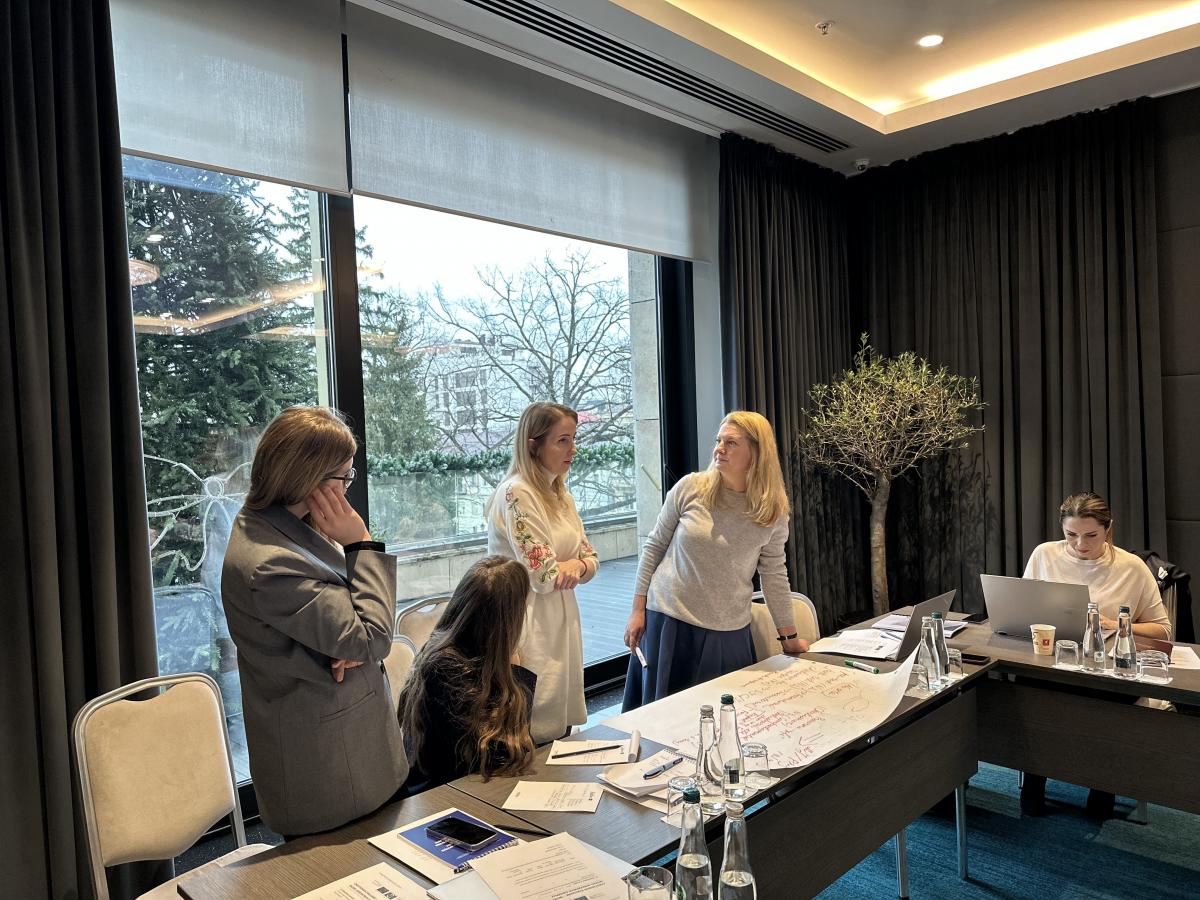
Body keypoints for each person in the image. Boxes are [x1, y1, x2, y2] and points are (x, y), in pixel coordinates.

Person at [221, 407, 406, 837]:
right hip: (329, 769)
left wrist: (354, 643)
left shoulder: (283, 524)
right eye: (345, 476)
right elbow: (373, 638)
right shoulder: (269, 562)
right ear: (312, 480)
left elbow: (357, 634)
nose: (348, 486)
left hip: (350, 746)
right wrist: (361, 541)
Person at [622, 410, 807, 711]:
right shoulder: (691, 488)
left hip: (728, 631)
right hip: (669, 621)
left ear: (756, 452)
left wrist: (789, 637)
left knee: (724, 720)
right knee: (663, 718)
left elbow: (774, 574)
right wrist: (637, 610)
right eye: (719, 441)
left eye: (731, 443)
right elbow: (654, 546)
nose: (719, 449)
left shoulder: (773, 512)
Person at [1019, 490, 1170, 819]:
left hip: (1106, 670)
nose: (1080, 545)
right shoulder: (1044, 554)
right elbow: (1024, 608)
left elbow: (1163, 631)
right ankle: (1033, 784)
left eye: (1091, 535)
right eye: (1071, 535)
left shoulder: (1132, 568)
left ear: (1108, 528)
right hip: (1053, 661)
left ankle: (1102, 791)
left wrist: (1116, 624)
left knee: (1105, 704)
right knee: (1028, 693)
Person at [486, 402, 598, 743]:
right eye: (563, 440)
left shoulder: (560, 494)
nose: (573, 449)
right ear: (534, 445)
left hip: (560, 617)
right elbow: (544, 575)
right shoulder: (517, 492)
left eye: (574, 438)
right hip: (526, 620)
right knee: (531, 725)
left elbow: (592, 559)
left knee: (560, 725)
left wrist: (577, 565)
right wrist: (572, 565)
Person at [399, 556, 537, 792]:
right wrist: (514, 670)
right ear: (507, 619)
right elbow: (502, 756)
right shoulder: (445, 669)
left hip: (466, 787)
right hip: (443, 794)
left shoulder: (460, 652)